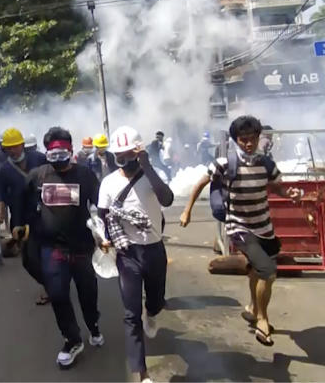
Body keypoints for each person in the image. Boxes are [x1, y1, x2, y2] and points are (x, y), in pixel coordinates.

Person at [180, 115, 302, 347]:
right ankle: (263, 320)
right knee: (268, 271)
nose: (248, 143)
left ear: (258, 138)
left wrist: (290, 195)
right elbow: (200, 184)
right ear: (236, 140)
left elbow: (277, 187)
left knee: (257, 270)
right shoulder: (225, 163)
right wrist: (187, 211)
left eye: (252, 139)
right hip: (239, 227)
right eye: (243, 139)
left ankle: (252, 307)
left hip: (264, 227)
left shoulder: (266, 164)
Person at [20, 127, 105, 368]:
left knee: (88, 294)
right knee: (57, 294)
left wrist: (103, 233)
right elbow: (23, 202)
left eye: (62, 153)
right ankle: (72, 340)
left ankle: (93, 324)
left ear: (70, 151)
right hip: (52, 249)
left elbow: (100, 206)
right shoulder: (37, 176)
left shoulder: (86, 176)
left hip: (82, 248)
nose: (57, 159)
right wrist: (22, 225)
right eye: (52, 154)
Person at [97, 126, 175, 383]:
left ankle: (152, 313)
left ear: (139, 151)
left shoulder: (152, 177)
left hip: (154, 249)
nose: (124, 159)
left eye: (129, 154)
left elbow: (167, 199)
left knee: (156, 300)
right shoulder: (108, 182)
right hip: (127, 253)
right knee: (131, 314)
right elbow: (103, 215)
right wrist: (106, 238)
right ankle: (141, 374)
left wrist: (147, 166)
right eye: (119, 155)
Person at [0, 127, 48, 304]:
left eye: (14, 146)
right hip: (21, 218)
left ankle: (54, 285)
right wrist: (1, 209)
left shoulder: (39, 159)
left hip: (47, 213)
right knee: (28, 259)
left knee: (49, 251)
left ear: (22, 145)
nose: (11, 150)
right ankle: (48, 282)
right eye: (7, 148)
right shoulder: (4, 169)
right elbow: (1, 192)